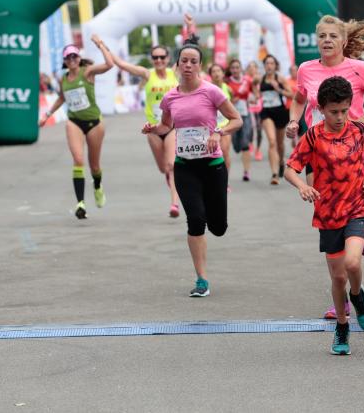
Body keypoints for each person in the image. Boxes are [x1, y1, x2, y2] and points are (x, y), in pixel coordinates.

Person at [286, 14, 364, 320]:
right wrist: (295, 120)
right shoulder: (306, 69)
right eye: (322, 36)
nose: (327, 41)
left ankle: (359, 234)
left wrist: (361, 122)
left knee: (350, 214)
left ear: (344, 41)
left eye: (333, 36)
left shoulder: (358, 69)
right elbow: (298, 98)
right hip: (318, 152)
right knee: (329, 216)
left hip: (350, 151)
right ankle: (343, 287)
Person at [284, 76, 364, 356]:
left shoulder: (358, 130)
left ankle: (358, 297)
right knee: (338, 278)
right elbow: (290, 169)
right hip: (327, 213)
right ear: (321, 109)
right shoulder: (313, 136)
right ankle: (342, 326)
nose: (339, 117)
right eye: (333, 111)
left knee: (352, 263)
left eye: (344, 110)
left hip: (357, 206)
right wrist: (303, 186)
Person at [142, 35, 242, 297]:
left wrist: (218, 133)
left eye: (193, 61)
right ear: (177, 64)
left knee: (218, 227)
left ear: (200, 65)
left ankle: (210, 212)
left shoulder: (211, 91)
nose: (188, 65)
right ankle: (201, 279)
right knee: (195, 220)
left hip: (213, 166)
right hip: (185, 166)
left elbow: (237, 119)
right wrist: (154, 129)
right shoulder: (170, 98)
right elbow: (167, 126)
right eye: (184, 60)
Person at [96, 36, 181, 217]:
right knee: (163, 168)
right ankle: (169, 177)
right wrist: (102, 45)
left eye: (162, 57)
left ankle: (174, 204)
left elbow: (190, 50)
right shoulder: (147, 74)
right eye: (155, 57)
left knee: (171, 165)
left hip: (172, 127)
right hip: (153, 129)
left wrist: (189, 27)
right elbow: (121, 64)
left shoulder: (175, 73)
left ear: (167, 59)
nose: (158, 60)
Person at [39, 39, 115, 220]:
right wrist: (46, 115)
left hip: (94, 123)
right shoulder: (63, 78)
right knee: (78, 160)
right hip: (74, 122)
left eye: (74, 56)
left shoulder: (87, 72)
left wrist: (101, 45)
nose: (72, 59)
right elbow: (61, 98)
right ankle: (80, 203)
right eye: (68, 57)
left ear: (79, 58)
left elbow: (110, 64)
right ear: (64, 61)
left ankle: (97, 186)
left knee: (94, 165)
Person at [254, 54, 293, 184]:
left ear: (275, 66)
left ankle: (281, 161)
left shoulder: (280, 78)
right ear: (264, 66)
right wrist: (255, 96)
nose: (269, 66)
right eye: (267, 63)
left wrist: (278, 89)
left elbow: (291, 95)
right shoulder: (261, 79)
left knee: (280, 144)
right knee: (271, 141)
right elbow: (254, 87)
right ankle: (275, 174)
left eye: (271, 63)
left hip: (280, 112)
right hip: (266, 112)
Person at [226, 59, 254, 181]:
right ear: (230, 70)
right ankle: (237, 146)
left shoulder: (247, 81)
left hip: (245, 115)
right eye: (233, 68)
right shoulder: (226, 83)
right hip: (231, 117)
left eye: (237, 67)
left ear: (241, 68)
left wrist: (253, 98)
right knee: (236, 145)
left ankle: (246, 171)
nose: (235, 70)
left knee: (245, 144)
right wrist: (232, 101)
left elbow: (254, 93)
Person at [208, 63, 234, 171]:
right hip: (210, 126)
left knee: (224, 151)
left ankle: (225, 180)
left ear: (223, 74)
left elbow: (231, 106)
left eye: (218, 71)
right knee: (211, 154)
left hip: (224, 125)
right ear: (210, 75)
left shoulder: (228, 89)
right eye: (213, 71)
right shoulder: (207, 88)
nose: (216, 73)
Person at [246, 61, 265, 162]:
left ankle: (258, 150)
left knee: (259, 130)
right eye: (250, 67)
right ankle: (250, 143)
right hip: (249, 108)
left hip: (260, 108)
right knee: (250, 128)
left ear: (257, 69)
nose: (252, 69)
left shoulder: (261, 79)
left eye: (254, 67)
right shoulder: (246, 79)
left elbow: (262, 93)